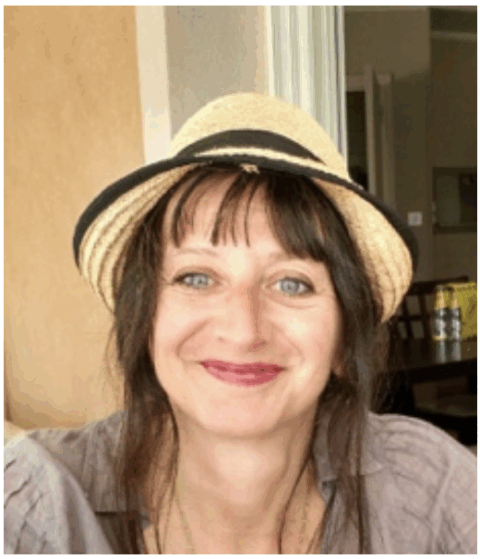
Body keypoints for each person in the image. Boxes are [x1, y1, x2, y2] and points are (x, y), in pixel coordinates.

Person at [4, 93, 476, 554]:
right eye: (196, 277)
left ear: (343, 337)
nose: (244, 331)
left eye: (292, 283)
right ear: (145, 317)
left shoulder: (432, 491)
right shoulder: (36, 509)